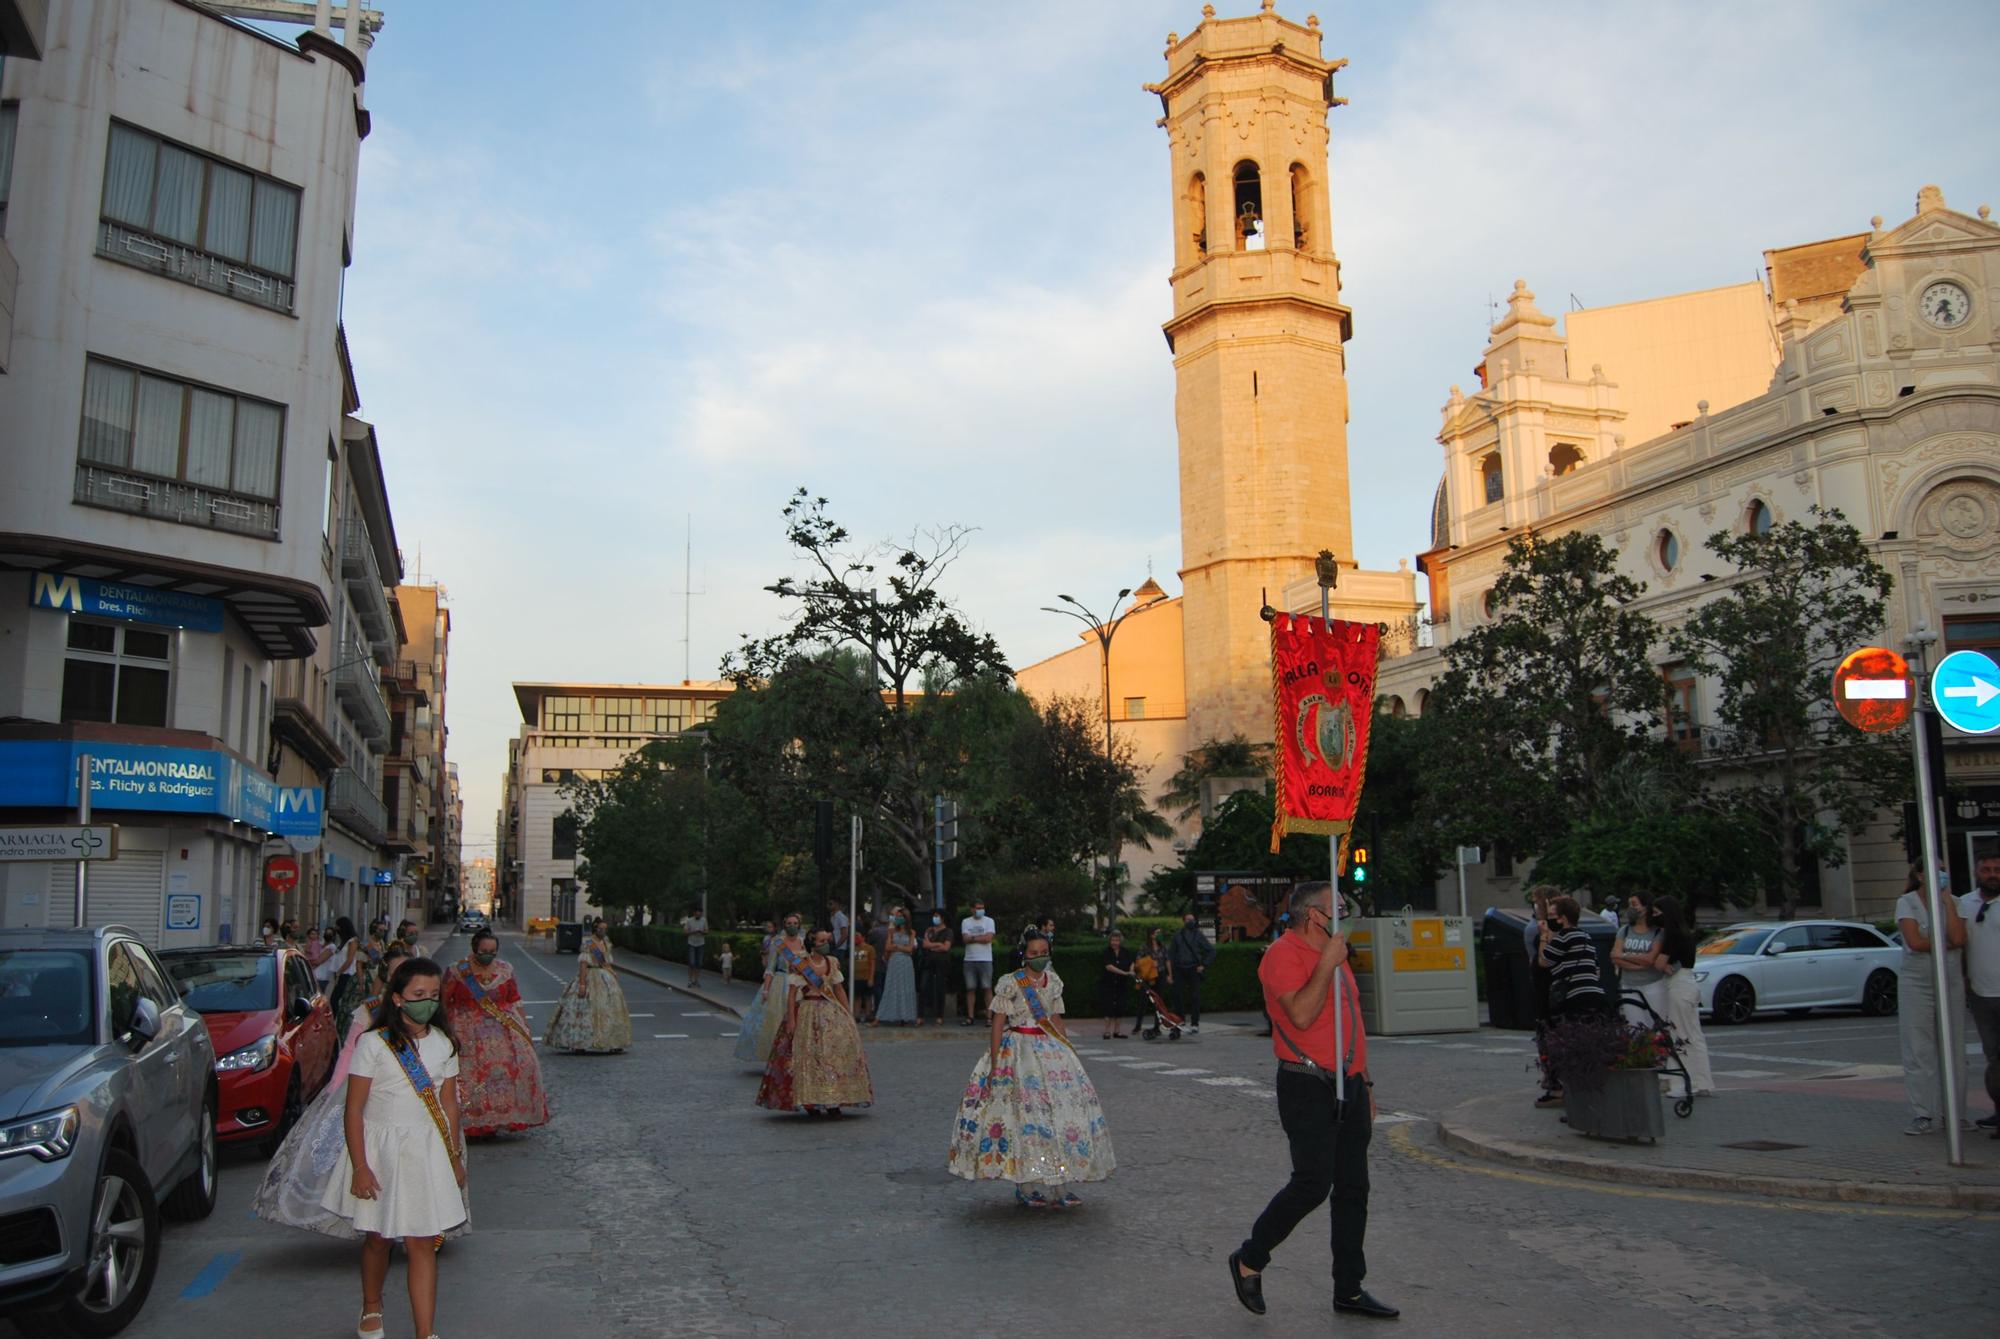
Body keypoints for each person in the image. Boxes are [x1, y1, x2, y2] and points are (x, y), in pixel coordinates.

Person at [1228, 882, 1395, 1322]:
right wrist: (1327, 963)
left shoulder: (1335, 956)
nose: (1345, 913)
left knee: (1354, 1187)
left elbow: (1351, 1023)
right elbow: (1300, 1015)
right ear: (1311, 915)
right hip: (1306, 1083)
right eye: (1337, 907)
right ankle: (1250, 1257)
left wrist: (1367, 1083)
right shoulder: (1283, 955)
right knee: (1312, 1182)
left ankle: (1350, 1289)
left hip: (1350, 1082)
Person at [317, 957, 470, 1339]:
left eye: (433, 995)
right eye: (418, 994)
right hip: (380, 1150)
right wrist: (360, 1167)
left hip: (426, 1151)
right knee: (378, 1238)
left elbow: (449, 1105)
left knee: (422, 1241)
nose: (427, 1002)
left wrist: (454, 1157)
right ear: (398, 998)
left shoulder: (444, 1045)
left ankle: (425, 1332)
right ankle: (372, 1305)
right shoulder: (373, 1043)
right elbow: (354, 1110)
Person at [947, 932, 1114, 1207]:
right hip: (1018, 1054)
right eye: (1034, 952)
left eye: (1044, 951)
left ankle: (1060, 1185)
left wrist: (1068, 1050)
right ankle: (1025, 1185)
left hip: (1050, 1052)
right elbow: (999, 1022)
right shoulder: (1011, 983)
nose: (1040, 956)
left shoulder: (1054, 982)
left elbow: (1055, 1018)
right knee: (1023, 1120)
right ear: (1024, 953)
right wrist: (996, 1058)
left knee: (1060, 1117)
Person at [442, 931, 550, 1137]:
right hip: (467, 1032)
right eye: (484, 951)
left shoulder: (505, 970)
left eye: (492, 951)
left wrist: (524, 1027)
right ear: (474, 949)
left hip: (503, 1029)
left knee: (512, 1070)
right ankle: (472, 1119)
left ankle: (502, 1117)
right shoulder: (457, 971)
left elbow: (514, 999)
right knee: (471, 1075)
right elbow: (444, 1001)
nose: (488, 955)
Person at [756, 930, 874, 1116]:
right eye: (822, 941)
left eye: (827, 940)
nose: (826, 943)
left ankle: (834, 1099)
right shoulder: (800, 963)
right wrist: (792, 1020)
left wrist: (848, 1013)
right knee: (808, 1056)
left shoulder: (832, 962)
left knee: (834, 1055)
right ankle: (811, 1100)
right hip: (807, 1010)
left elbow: (839, 989)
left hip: (830, 1010)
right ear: (813, 943)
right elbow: (793, 993)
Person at [1896, 866, 1970, 1135]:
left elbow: (1960, 937)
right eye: (1934, 869)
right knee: (1918, 1047)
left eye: (1943, 870)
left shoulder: (1956, 902)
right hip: (1917, 982)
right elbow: (1914, 942)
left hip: (1950, 980)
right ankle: (1922, 1112)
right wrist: (1947, 942)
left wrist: (1947, 901)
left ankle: (1956, 1114)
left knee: (1954, 1048)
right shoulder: (1907, 902)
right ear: (1919, 875)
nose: (1940, 874)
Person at [1535, 894, 1605, 1108]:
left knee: (1570, 1046)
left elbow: (1544, 961)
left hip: (1573, 997)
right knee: (1589, 1044)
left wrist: (1544, 935)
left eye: (1553, 916)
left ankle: (1576, 1096)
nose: (1550, 919)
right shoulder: (1585, 936)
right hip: (1593, 994)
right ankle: (1591, 1092)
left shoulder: (1564, 937)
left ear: (1563, 918)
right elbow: (1597, 969)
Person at [1648, 896, 1713, 1097]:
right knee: (1694, 1035)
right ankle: (1703, 1082)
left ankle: (1685, 1084)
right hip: (1689, 982)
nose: (1655, 917)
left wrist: (1663, 964)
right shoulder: (1686, 933)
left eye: (1658, 913)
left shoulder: (1672, 935)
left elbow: (1658, 964)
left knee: (1680, 1035)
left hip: (1678, 985)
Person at [546, 918, 632, 1054]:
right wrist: (582, 984)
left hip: (605, 977)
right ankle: (579, 1043)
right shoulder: (588, 944)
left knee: (609, 1009)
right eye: (600, 929)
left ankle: (612, 1041)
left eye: (605, 929)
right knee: (584, 1010)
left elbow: (606, 962)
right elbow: (583, 964)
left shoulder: (606, 942)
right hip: (590, 975)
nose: (603, 931)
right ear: (595, 929)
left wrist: (612, 972)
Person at [1961, 848, 2000, 1132]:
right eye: (1987, 870)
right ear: (1977, 872)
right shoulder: (1964, 904)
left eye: (1997, 870)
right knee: (1994, 1057)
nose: (1992, 875)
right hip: (1981, 994)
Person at [735, 915, 806, 1062]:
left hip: (799, 984)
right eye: (789, 923)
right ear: (784, 925)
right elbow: (770, 968)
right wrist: (766, 990)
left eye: (795, 923)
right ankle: (778, 1057)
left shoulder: (803, 942)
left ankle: (797, 1055)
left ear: (799, 925)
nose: (792, 925)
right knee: (777, 1022)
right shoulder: (777, 943)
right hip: (780, 984)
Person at [1610, 897, 1666, 1027]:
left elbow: (1651, 959)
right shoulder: (1624, 930)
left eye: (1634, 904)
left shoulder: (1657, 931)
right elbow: (1614, 956)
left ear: (1646, 908)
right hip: (1628, 985)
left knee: (1656, 1025)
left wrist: (1624, 955)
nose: (1631, 908)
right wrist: (1640, 964)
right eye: (1629, 904)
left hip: (1653, 984)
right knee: (1634, 1026)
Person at [1169, 911, 1216, 1033]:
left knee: (1195, 996)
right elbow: (1171, 954)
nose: (1191, 922)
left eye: (1192, 919)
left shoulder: (1198, 935)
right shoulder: (1177, 935)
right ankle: (1180, 1020)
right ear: (1183, 921)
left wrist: (1204, 965)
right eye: (1188, 920)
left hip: (1193, 968)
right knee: (1178, 996)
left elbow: (1211, 951)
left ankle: (1195, 1023)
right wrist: (1171, 972)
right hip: (1179, 968)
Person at [875, 909, 918, 1025]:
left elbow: (910, 949)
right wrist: (900, 948)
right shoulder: (891, 931)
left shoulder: (911, 932)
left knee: (906, 987)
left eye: (900, 916)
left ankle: (905, 1016)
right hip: (894, 961)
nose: (897, 918)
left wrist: (897, 946)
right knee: (891, 987)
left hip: (906, 962)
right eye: (897, 916)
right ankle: (883, 1016)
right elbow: (887, 947)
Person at [960, 899, 996, 1027]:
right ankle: (970, 1016)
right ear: (972, 909)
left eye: (982, 907)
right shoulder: (966, 922)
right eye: (978, 907)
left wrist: (973, 938)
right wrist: (980, 938)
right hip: (970, 959)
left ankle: (989, 1017)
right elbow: (965, 938)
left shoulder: (989, 921)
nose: (980, 910)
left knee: (987, 988)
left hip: (985, 958)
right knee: (970, 988)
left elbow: (989, 938)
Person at [1099, 930, 1136, 1039]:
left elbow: (1132, 962)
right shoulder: (1107, 952)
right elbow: (1109, 966)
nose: (1115, 942)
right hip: (1108, 983)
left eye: (1117, 940)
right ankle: (1107, 1031)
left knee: (1120, 1006)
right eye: (1113, 940)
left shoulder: (1125, 952)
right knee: (1108, 1006)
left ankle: (1117, 1030)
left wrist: (1131, 970)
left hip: (1121, 984)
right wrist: (1124, 973)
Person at [919, 909, 953, 1026]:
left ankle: (940, 1015)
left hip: (941, 962)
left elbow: (945, 947)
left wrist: (933, 946)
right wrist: (938, 944)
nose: (935, 918)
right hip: (928, 962)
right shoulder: (930, 931)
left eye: (937, 916)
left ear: (942, 918)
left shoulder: (948, 932)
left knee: (940, 988)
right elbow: (925, 944)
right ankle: (920, 1015)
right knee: (923, 987)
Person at [1133, 929, 1166, 1036]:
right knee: (1143, 1001)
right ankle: (1138, 1025)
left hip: (1160, 975)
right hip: (1147, 976)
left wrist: (1169, 974)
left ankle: (1157, 1026)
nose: (1159, 935)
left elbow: (1167, 959)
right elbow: (1138, 961)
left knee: (1158, 1001)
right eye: (1157, 933)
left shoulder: (1163, 946)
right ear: (1151, 935)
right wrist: (1151, 962)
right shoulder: (1144, 947)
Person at [680, 909, 709, 987]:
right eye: (696, 914)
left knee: (699, 963)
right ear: (694, 914)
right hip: (691, 943)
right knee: (691, 963)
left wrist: (702, 932)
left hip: (701, 943)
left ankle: (696, 980)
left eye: (699, 915)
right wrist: (692, 932)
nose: (698, 916)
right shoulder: (689, 920)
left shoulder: (704, 920)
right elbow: (685, 932)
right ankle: (690, 980)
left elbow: (707, 931)